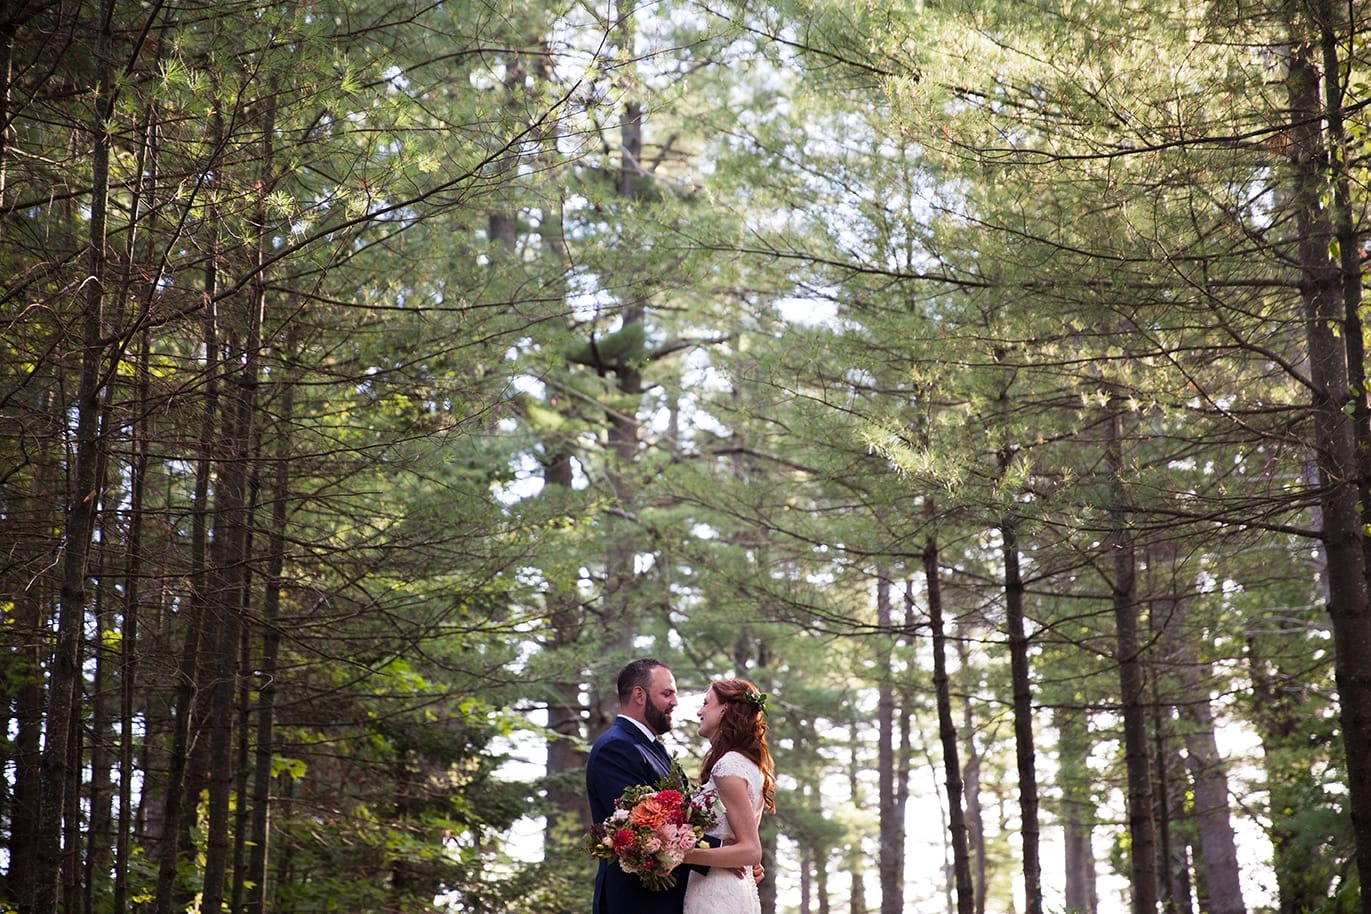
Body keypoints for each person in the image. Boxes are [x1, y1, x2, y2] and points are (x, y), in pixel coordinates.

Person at [586, 658, 692, 914]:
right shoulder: (617, 747)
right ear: (639, 695)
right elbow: (644, 829)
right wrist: (728, 854)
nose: (675, 703)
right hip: (635, 901)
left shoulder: (653, 748)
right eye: (667, 693)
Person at [680, 679, 776, 914]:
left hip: (715, 892)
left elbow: (751, 850)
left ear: (724, 709)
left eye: (706, 703)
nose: (699, 711)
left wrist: (681, 855)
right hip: (732, 887)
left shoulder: (728, 766)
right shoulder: (750, 765)